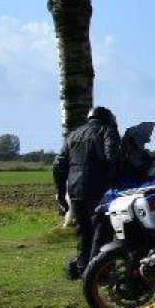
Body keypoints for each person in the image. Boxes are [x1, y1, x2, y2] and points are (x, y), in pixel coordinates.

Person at [53, 106, 122, 279]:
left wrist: (60, 193)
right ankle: (99, 271)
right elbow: (111, 157)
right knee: (102, 227)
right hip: (98, 187)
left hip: (75, 189)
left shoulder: (73, 135)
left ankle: (83, 267)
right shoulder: (107, 130)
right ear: (107, 118)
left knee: (84, 230)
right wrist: (116, 179)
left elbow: (57, 166)